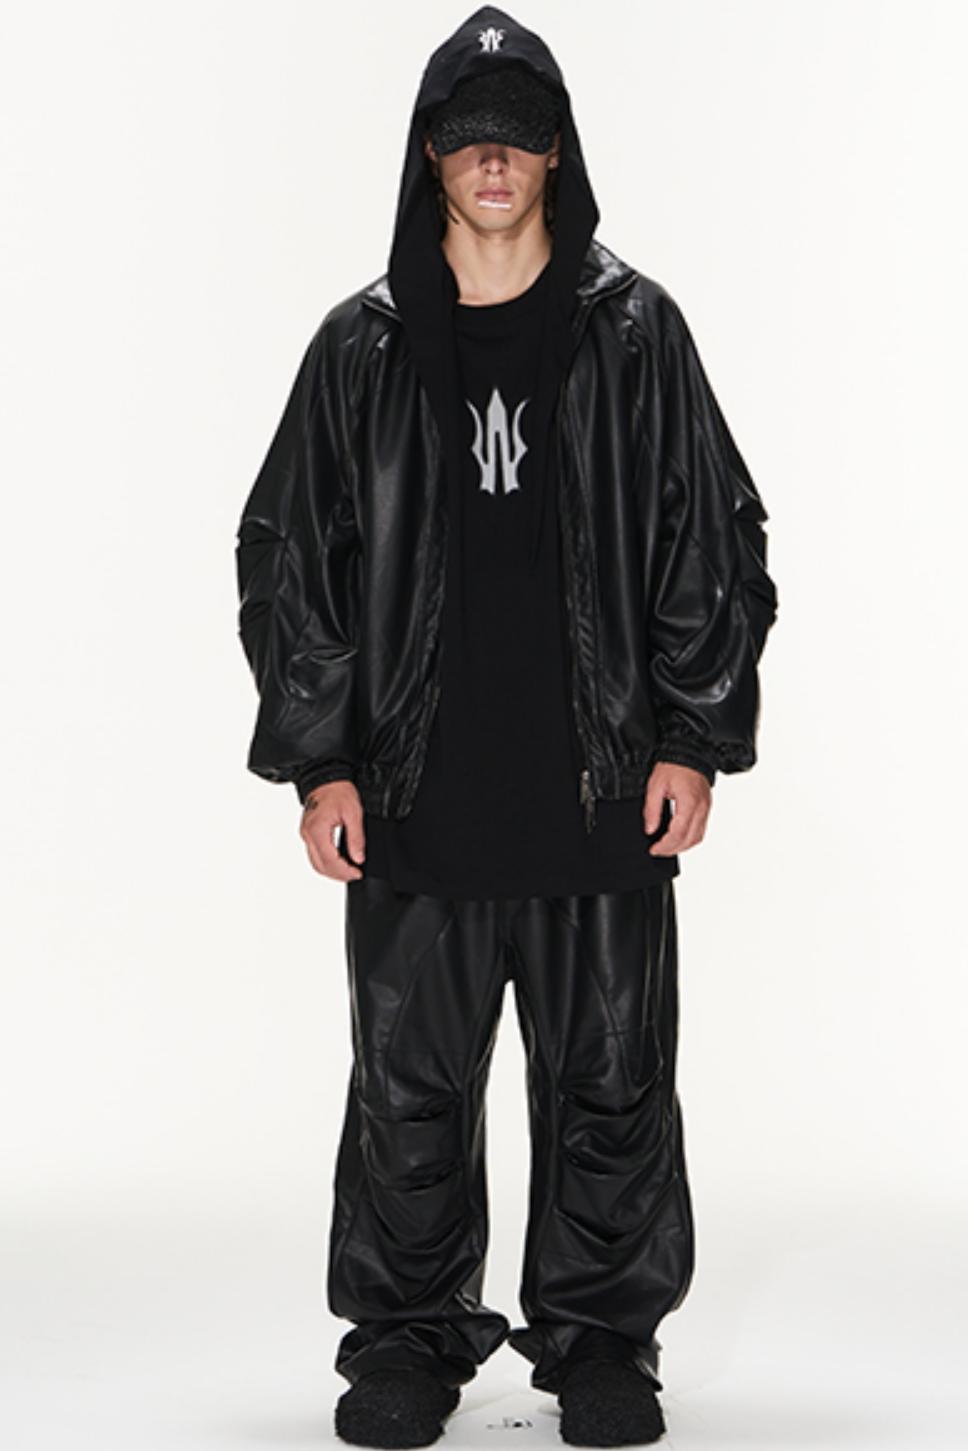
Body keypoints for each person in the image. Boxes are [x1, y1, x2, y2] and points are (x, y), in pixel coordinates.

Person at [234, 7, 778, 1447]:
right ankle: (406, 1345)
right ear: (429, 154)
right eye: (467, 134)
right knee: (409, 1090)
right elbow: (292, 558)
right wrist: (322, 762)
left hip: (602, 783)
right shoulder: (361, 347)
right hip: (415, 788)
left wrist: (691, 736)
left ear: (555, 150)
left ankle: (602, 1345)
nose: (493, 158)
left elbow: (712, 537)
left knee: (611, 1082)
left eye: (518, 131)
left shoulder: (635, 332)